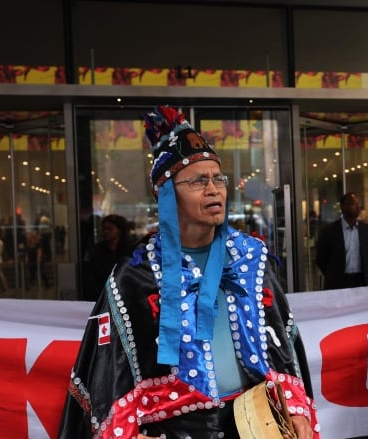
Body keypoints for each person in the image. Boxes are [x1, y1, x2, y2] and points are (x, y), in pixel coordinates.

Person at [59, 106, 319, 439]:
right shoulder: (136, 277)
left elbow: (284, 345)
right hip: (175, 429)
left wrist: (295, 410)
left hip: (255, 422)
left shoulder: (251, 260)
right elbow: (108, 368)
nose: (214, 189)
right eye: (198, 180)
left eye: (218, 179)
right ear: (167, 194)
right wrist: (126, 430)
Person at [315, 192, 368, 290]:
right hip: (337, 282)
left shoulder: (366, 230)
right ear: (343, 207)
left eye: (358, 203)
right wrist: (332, 274)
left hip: (361, 282)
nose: (358, 207)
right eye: (353, 203)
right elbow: (321, 258)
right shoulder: (329, 231)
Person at [82, 214, 135, 302]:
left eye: (110, 229)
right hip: (99, 295)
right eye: (104, 228)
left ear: (120, 231)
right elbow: (90, 275)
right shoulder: (96, 250)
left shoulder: (130, 250)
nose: (106, 231)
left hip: (124, 295)